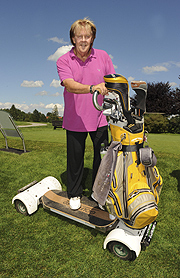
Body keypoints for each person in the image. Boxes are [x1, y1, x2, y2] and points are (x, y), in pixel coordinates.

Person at [56, 18, 115, 210]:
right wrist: (92, 88)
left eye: (87, 36)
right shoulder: (63, 60)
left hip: (100, 118)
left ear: (93, 38)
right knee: (75, 159)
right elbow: (69, 85)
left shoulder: (103, 56)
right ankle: (74, 193)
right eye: (79, 36)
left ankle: (99, 193)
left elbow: (112, 82)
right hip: (75, 118)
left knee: (103, 159)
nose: (83, 40)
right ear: (73, 38)